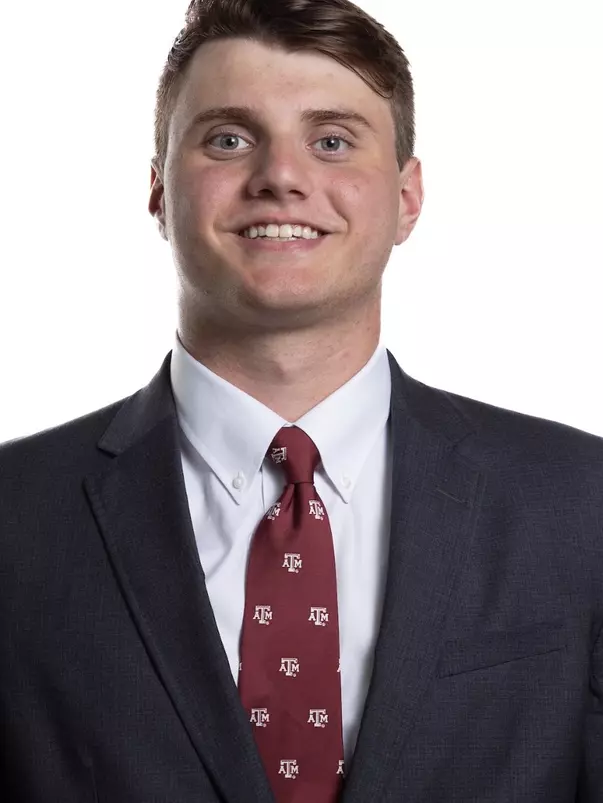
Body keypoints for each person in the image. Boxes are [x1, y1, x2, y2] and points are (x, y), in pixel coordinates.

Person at [1, 0, 602, 800]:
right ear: (157, 193)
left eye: (331, 141)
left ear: (407, 197)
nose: (281, 175)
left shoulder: (578, 501)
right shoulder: (14, 515)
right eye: (228, 138)